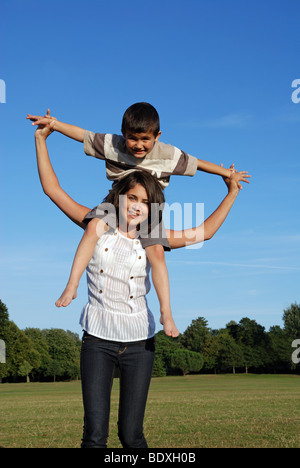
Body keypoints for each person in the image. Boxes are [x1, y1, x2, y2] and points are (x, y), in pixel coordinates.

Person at [32, 120, 250, 448]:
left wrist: (231, 191)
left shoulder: (153, 238)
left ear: (152, 208)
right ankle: (71, 286)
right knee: (94, 436)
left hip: (139, 344)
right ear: (119, 196)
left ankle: (166, 313)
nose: (136, 205)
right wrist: (41, 140)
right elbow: (53, 190)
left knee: (131, 435)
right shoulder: (96, 224)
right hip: (97, 342)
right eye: (131, 197)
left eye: (145, 201)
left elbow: (205, 231)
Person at [27, 103, 249, 337]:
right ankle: (72, 285)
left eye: (145, 139)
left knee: (157, 252)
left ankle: (166, 313)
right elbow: (82, 137)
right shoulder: (113, 146)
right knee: (93, 226)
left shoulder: (168, 155)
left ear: (157, 137)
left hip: (151, 215)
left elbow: (198, 166)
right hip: (113, 204)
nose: (138, 145)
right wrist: (52, 127)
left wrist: (229, 180)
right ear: (123, 135)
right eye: (133, 139)